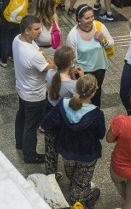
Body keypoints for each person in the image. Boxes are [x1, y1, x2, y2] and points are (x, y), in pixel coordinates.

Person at [41, 75, 105, 208]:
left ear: (76, 87)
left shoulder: (63, 103)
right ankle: (80, 200)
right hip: (87, 154)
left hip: (66, 150)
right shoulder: (96, 114)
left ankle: (78, 189)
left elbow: (48, 121)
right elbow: (100, 134)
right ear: (93, 93)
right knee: (81, 183)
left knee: (71, 173)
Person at [13, 15, 55, 164]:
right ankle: (30, 155)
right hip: (35, 94)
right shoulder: (33, 55)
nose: (40, 32)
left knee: (22, 117)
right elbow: (51, 66)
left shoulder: (18, 40)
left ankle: (19, 143)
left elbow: (40, 52)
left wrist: (42, 54)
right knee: (31, 126)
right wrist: (48, 59)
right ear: (26, 31)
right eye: (37, 29)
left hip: (22, 88)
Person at [42, 46, 83, 176]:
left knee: (50, 147)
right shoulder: (72, 85)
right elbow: (79, 99)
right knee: (65, 146)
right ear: (71, 63)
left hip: (49, 111)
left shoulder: (50, 74)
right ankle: (71, 175)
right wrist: (80, 78)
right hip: (64, 117)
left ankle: (50, 174)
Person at [66, 4, 114, 108]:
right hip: (82, 71)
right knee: (83, 96)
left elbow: (111, 43)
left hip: (99, 68)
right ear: (79, 19)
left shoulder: (99, 26)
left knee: (96, 93)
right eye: (87, 18)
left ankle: (95, 113)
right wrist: (74, 79)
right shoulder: (73, 35)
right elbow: (70, 59)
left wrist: (102, 40)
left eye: (92, 16)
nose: (91, 20)